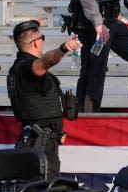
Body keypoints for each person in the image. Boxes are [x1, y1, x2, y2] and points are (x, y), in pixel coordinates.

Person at [7, 20, 82, 179]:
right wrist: (64, 49)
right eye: (42, 38)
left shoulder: (19, 67)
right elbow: (45, 62)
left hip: (38, 145)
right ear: (35, 42)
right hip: (40, 148)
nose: (43, 42)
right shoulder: (26, 68)